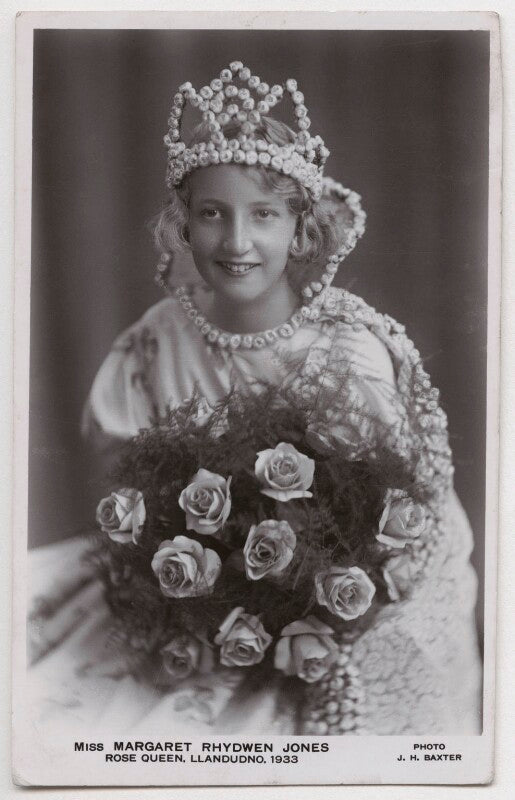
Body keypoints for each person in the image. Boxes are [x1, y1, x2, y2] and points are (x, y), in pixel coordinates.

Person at [28, 61, 481, 737]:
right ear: (183, 226)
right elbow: (122, 479)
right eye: (212, 215)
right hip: (195, 604)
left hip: (339, 609)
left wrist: (306, 600)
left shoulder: (345, 351)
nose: (236, 243)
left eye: (263, 216)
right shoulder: (157, 340)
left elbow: (397, 517)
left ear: (299, 231)